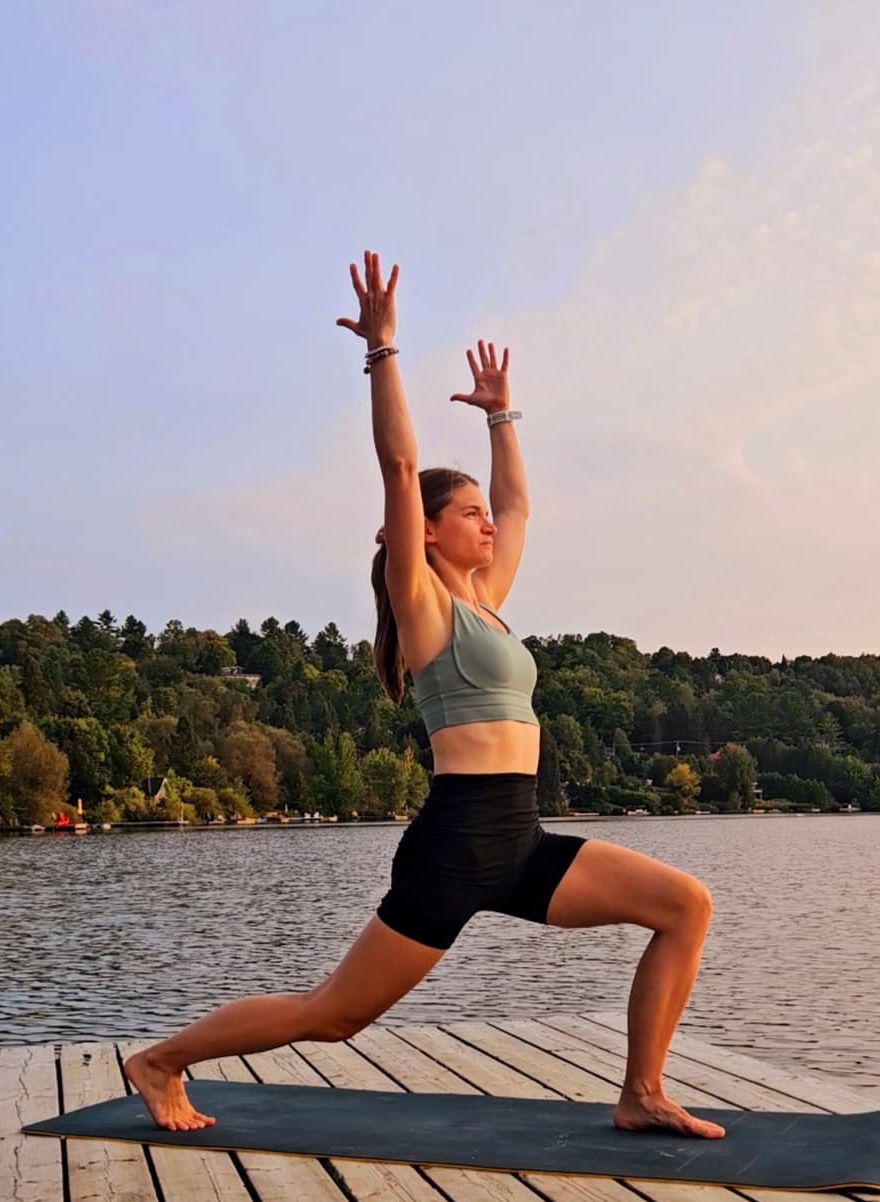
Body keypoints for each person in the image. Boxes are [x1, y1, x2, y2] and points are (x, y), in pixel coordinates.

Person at [125, 252, 725, 1140]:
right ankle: (161, 1059)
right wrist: (383, 353)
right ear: (427, 529)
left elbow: (520, 509)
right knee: (334, 1015)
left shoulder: (487, 602)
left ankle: (640, 1093)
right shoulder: (425, 606)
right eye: (469, 512)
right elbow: (399, 464)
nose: (488, 522)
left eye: (484, 512)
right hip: (453, 844)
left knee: (684, 905)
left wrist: (502, 418)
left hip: (516, 836)